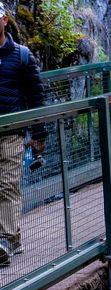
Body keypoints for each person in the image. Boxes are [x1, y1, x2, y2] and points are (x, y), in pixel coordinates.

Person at [0, 1, 45, 268]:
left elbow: (36, 97)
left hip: (12, 134)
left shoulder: (22, 56)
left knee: (7, 184)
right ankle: (13, 238)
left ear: (5, 20)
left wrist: (40, 134)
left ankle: (4, 240)